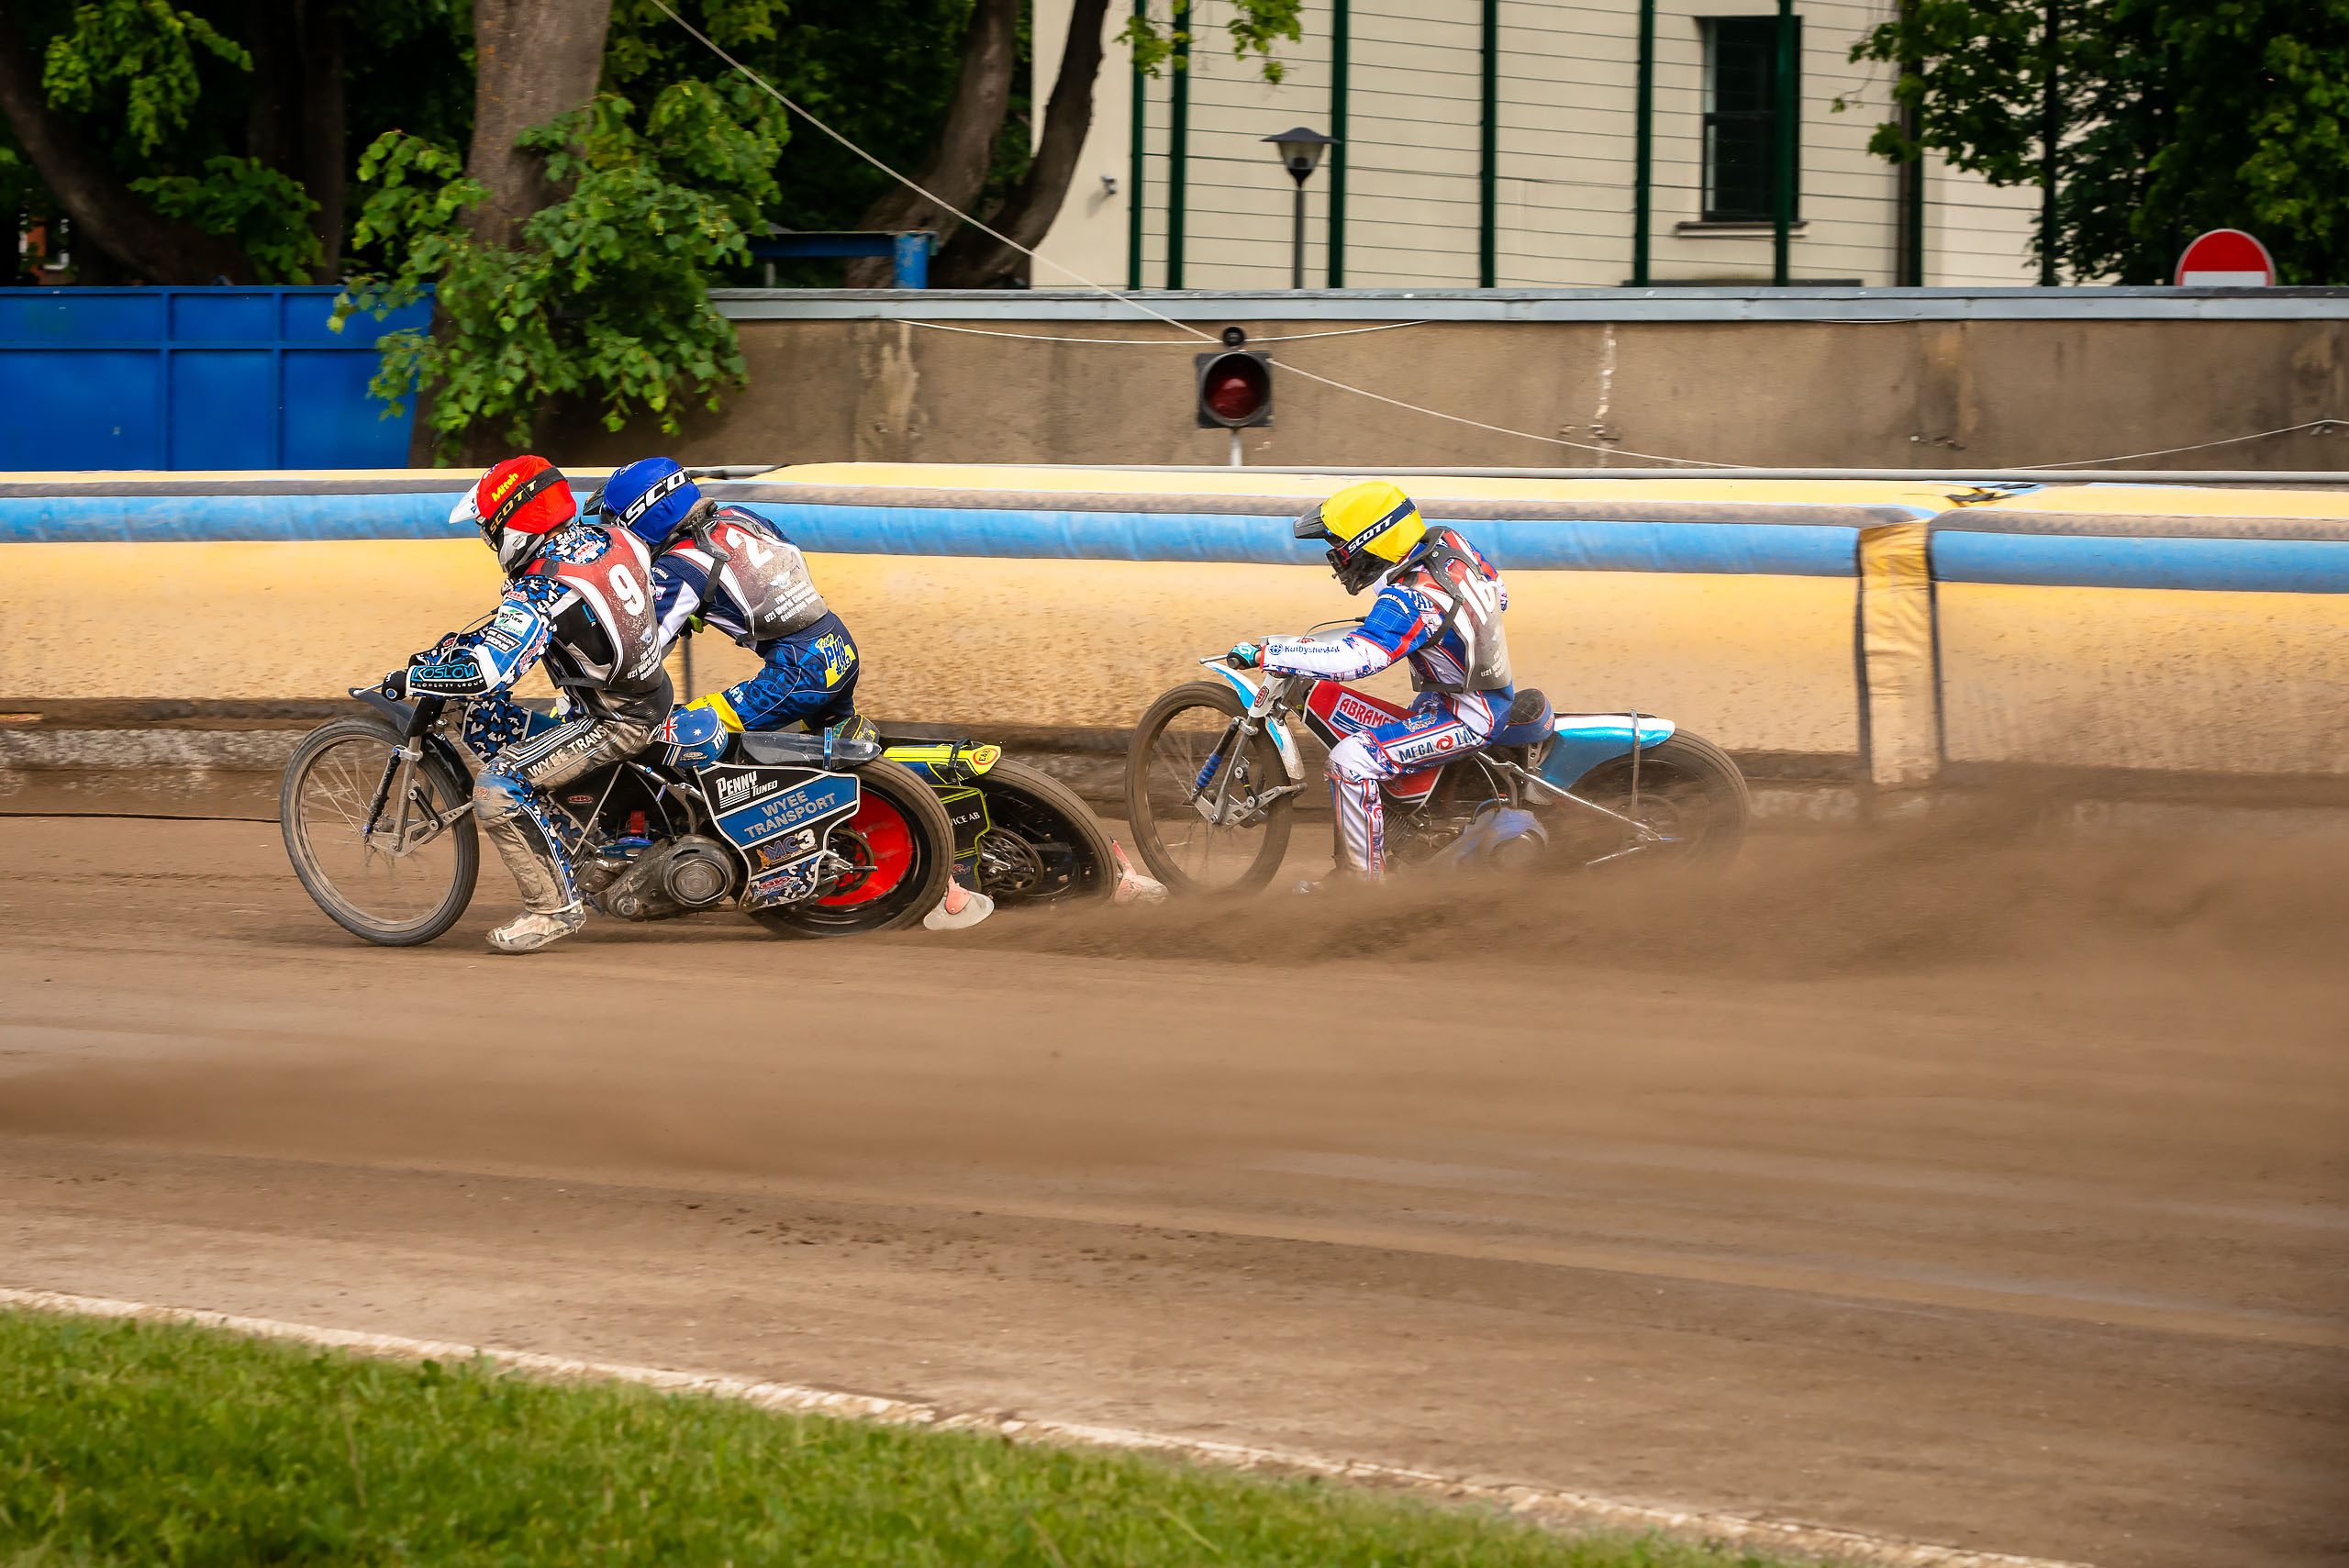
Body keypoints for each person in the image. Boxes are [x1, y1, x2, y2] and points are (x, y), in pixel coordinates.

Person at [384, 456, 672, 953]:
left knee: (497, 787)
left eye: (490, 531)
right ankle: (577, 840)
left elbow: (487, 671)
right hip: (646, 692)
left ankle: (553, 908)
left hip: (615, 718)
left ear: (513, 528)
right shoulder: (612, 538)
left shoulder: (544, 587)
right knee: (485, 718)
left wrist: (414, 674)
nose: (490, 542)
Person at [1226, 479, 1512, 883]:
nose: (1336, 559)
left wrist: (1268, 654)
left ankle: (1361, 888)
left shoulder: (1410, 598)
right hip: (1463, 697)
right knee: (1366, 731)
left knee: (1350, 761)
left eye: (1340, 547)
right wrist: (1430, 632)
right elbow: (1499, 594)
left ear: (1371, 541)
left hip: (1467, 716)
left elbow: (1359, 659)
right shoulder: (1450, 544)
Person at [592, 458, 863, 764]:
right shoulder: (739, 516)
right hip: (839, 647)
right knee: (836, 757)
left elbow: (641, 652)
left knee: (678, 736)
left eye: (613, 519)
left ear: (640, 515)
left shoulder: (679, 565)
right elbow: (786, 561)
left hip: (795, 674)